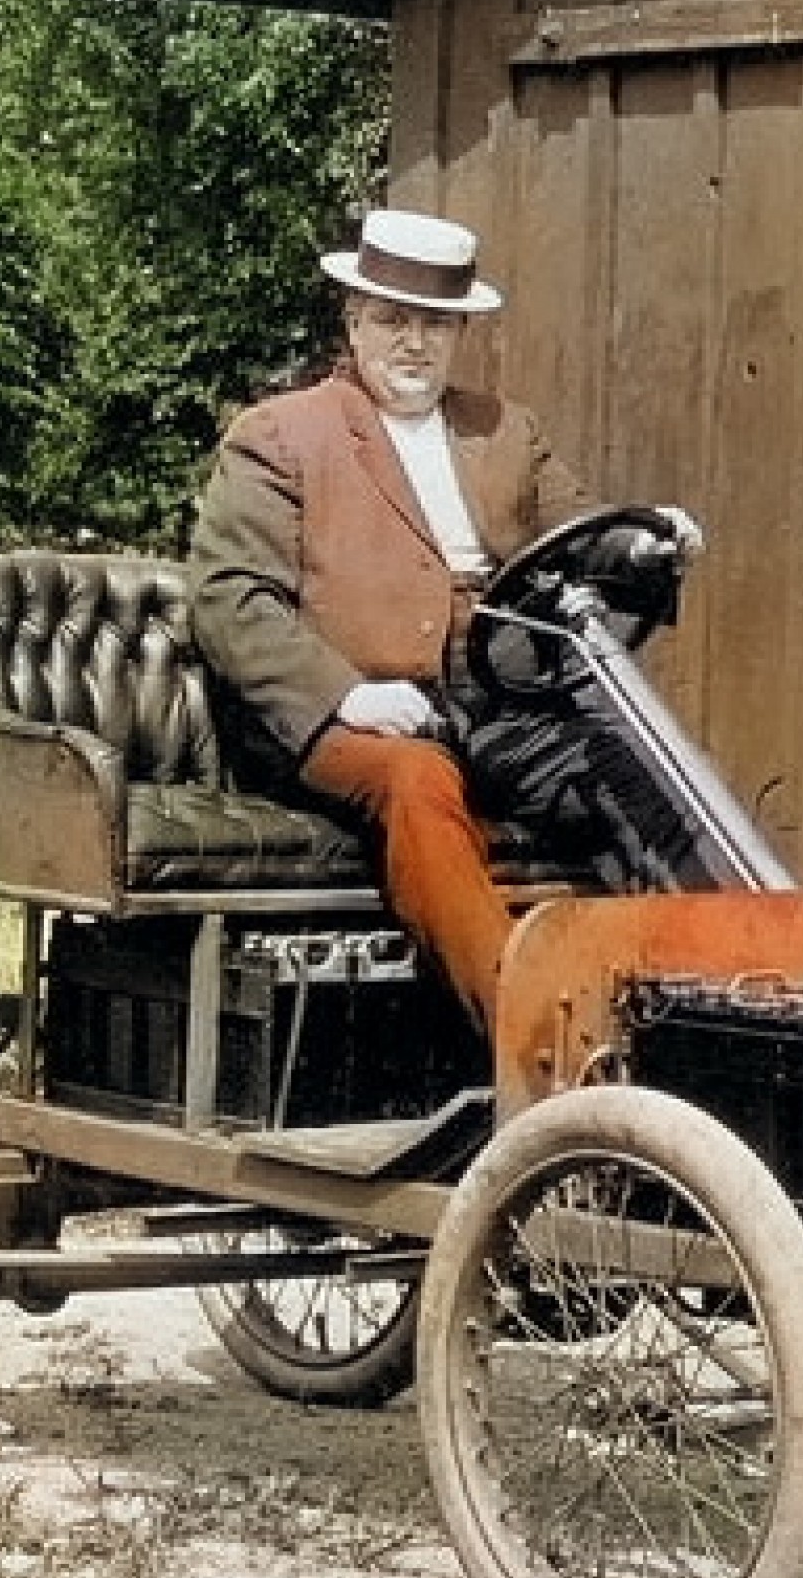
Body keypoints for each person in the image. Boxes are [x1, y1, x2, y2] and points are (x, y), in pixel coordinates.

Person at [189, 207, 729, 1030]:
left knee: (628, 763)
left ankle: (720, 1004)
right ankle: (531, 1038)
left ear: (460, 332)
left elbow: (581, 534)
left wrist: (644, 545)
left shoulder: (505, 431)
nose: (414, 342)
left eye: (436, 324)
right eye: (393, 320)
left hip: (495, 703)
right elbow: (231, 599)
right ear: (354, 320)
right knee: (416, 778)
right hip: (340, 721)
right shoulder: (281, 435)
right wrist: (342, 696)